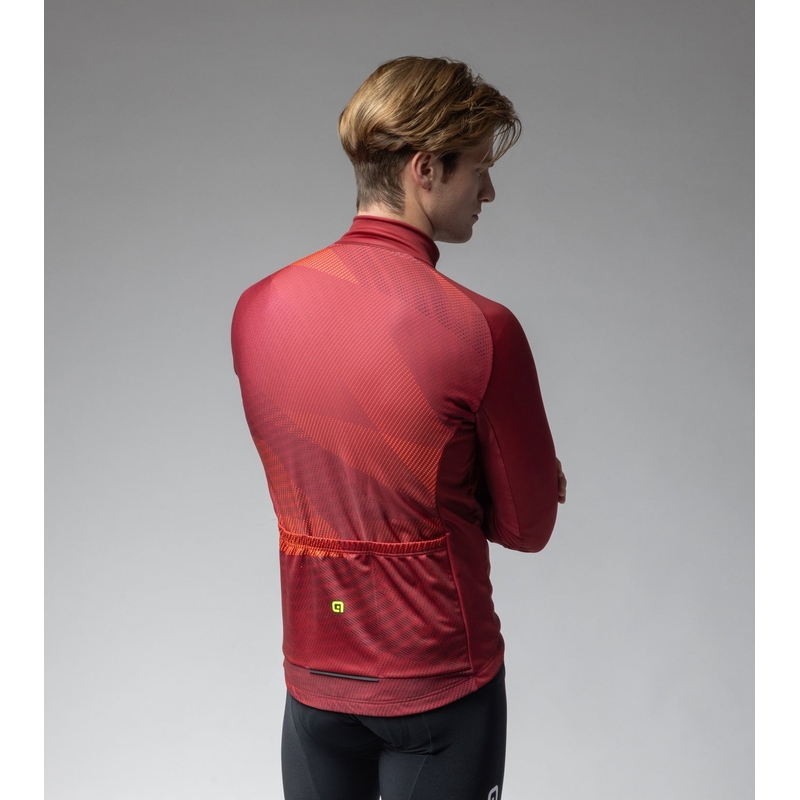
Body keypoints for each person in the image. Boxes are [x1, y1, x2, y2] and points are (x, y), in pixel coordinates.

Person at [231, 55, 567, 800]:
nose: (488, 191)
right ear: (425, 169)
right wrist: (501, 482)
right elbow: (528, 526)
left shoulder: (257, 307)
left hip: (316, 674)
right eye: (478, 168)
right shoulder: (481, 329)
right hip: (439, 682)